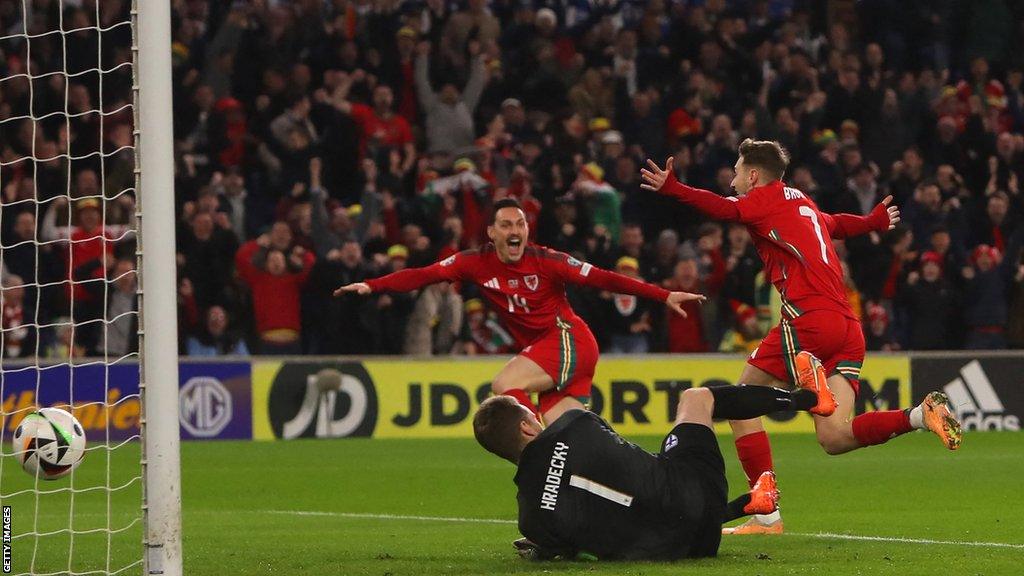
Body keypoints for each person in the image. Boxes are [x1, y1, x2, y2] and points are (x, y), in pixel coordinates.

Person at [641, 139, 963, 534]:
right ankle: (918, 416)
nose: (734, 178)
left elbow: (724, 209)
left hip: (809, 319)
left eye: (739, 171)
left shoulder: (764, 199)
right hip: (847, 327)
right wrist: (873, 222)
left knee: (738, 404)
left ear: (754, 175)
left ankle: (766, 512)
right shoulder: (801, 202)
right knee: (834, 436)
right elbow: (837, 224)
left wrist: (673, 188)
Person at [336, 198, 704, 422]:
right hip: (555, 353)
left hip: (567, 339)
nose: (515, 229)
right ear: (492, 233)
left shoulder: (548, 261)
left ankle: (533, 453)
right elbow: (423, 274)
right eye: (506, 224)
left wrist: (662, 295)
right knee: (569, 439)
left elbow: (605, 278)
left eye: (520, 223)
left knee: (504, 386)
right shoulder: (473, 262)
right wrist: (373, 285)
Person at [472, 372, 830, 560]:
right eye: (532, 417)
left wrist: (542, 548)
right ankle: (806, 397)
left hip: (687, 548)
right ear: (526, 426)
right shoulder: (572, 422)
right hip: (697, 490)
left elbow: (580, 548)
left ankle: (743, 506)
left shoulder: (531, 519)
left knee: (633, 517)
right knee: (696, 399)